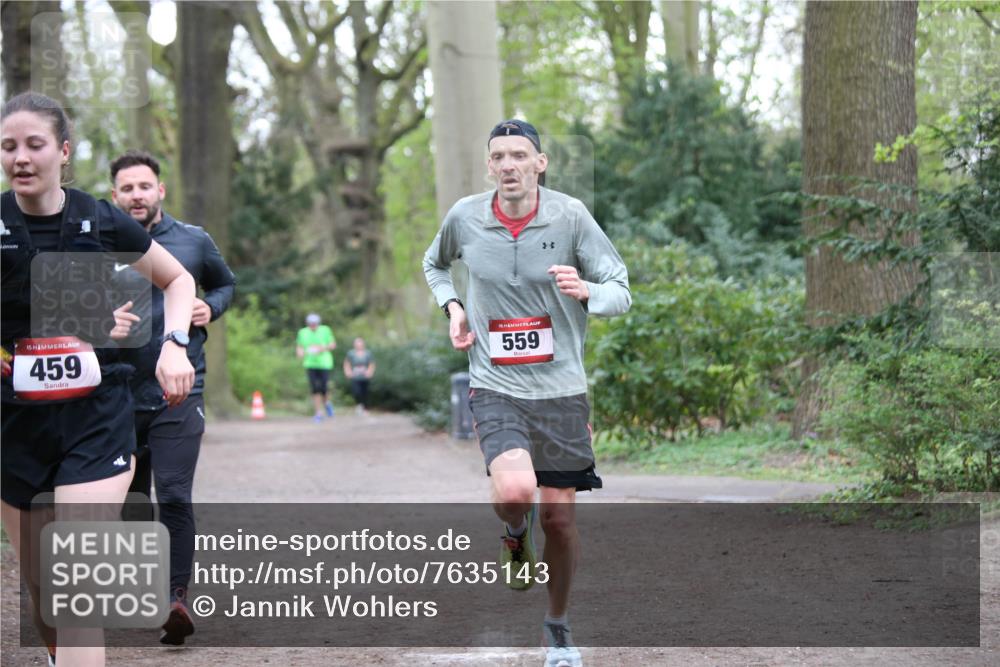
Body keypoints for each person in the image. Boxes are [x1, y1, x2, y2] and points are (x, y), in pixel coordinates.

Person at [423, 119, 630, 667]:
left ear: (540, 164)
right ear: (489, 166)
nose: (509, 165)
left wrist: (588, 291)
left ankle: (558, 627)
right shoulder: (465, 217)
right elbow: (434, 263)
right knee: (516, 492)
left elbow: (620, 287)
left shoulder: (571, 216)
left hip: (561, 388)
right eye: (499, 157)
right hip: (495, 382)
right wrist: (454, 306)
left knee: (561, 520)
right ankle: (516, 532)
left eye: (520, 155)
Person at [1, 92, 195, 667]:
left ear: (63, 152)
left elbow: (178, 280)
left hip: (97, 418)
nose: (21, 157)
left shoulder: (100, 218)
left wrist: (173, 347)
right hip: (14, 424)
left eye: (35, 145)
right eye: (9, 146)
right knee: (43, 593)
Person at [109, 149, 236, 645]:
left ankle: (175, 601)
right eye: (127, 188)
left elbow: (226, 284)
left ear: (160, 190)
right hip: (116, 392)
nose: (136, 195)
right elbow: (72, 306)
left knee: (176, 495)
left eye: (144, 186)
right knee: (130, 502)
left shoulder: (193, 241)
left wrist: (212, 306)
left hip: (180, 390)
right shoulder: (99, 243)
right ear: (115, 195)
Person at [296, 313, 336, 422]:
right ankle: (318, 412)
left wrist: (322, 348)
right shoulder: (302, 332)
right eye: (311, 324)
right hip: (310, 363)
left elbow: (332, 345)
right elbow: (299, 347)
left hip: (324, 363)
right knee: (314, 388)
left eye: (315, 324)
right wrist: (300, 353)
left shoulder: (325, 330)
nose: (313, 326)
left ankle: (327, 403)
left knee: (323, 387)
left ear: (318, 323)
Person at [343, 336, 375, 415]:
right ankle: (359, 405)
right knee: (357, 392)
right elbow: (347, 363)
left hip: (364, 376)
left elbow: (371, 363)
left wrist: (370, 372)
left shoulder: (367, 353)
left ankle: (365, 408)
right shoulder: (351, 353)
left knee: (365, 392)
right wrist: (348, 372)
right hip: (355, 376)